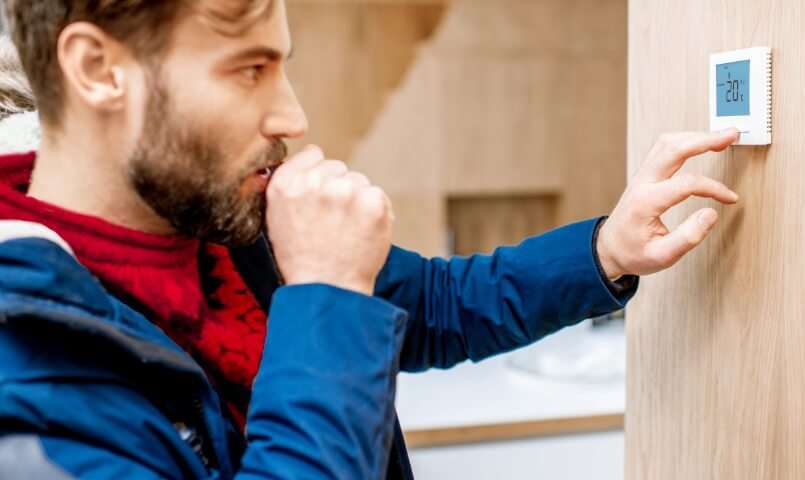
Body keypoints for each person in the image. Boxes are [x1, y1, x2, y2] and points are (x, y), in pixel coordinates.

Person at [0, 1, 741, 478]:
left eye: (282, 65)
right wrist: (325, 294)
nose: (291, 117)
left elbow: (441, 303)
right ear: (98, 70)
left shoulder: (219, 223)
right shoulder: (24, 392)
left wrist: (607, 249)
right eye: (248, 70)